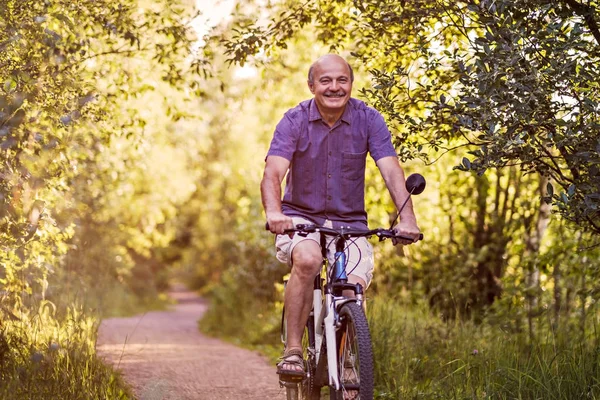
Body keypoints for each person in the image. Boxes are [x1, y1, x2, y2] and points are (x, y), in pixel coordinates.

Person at [261, 54, 421, 378]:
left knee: (353, 287)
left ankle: (347, 355)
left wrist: (409, 221)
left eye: (342, 80)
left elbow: (391, 170)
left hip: (351, 225)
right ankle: (293, 350)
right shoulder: (293, 121)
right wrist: (274, 213)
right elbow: (273, 172)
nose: (335, 87)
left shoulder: (369, 120)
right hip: (300, 219)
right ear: (311, 86)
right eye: (326, 81)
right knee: (307, 260)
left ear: (351, 83)